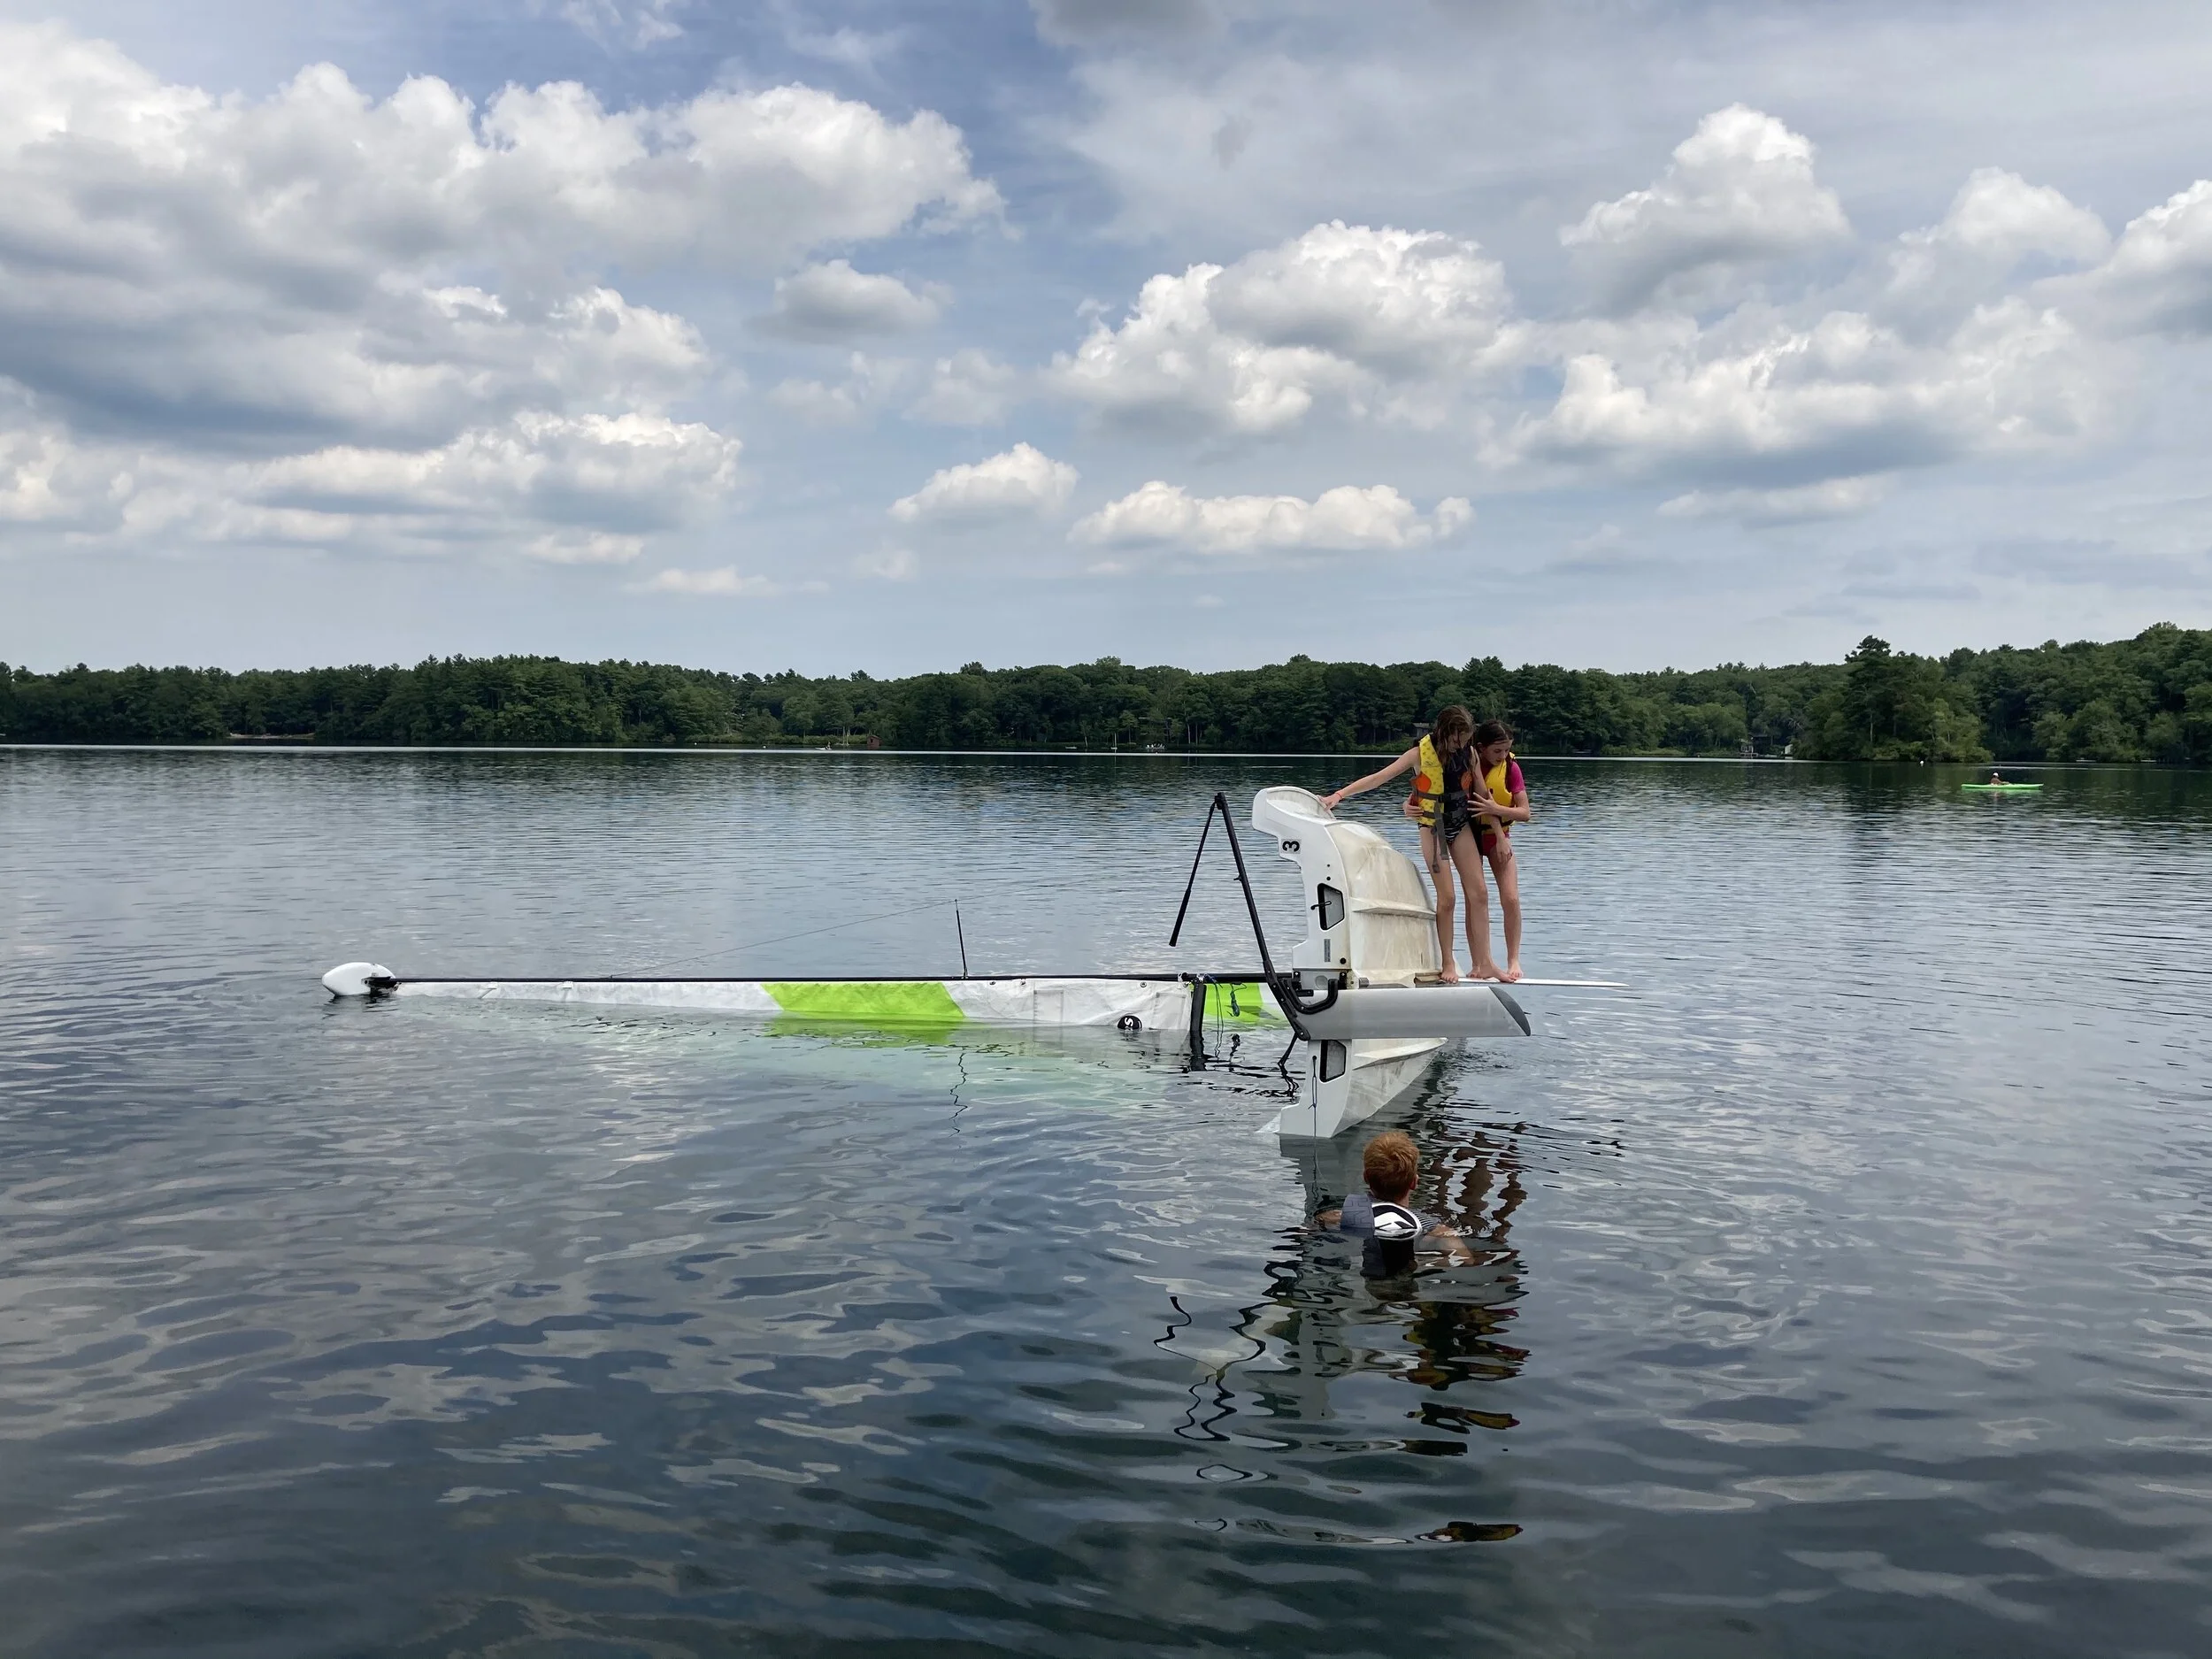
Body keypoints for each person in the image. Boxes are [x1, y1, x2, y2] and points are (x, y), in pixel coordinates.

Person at [1321, 706, 1500, 982]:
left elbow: (1480, 791)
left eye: (1465, 739)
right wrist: (1339, 795)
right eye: (1456, 740)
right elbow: (1380, 777)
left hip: (1460, 825)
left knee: (1480, 894)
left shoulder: (1470, 753)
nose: (1460, 745)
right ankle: (1448, 962)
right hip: (1433, 828)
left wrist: (1497, 830)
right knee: (1449, 898)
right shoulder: (1419, 753)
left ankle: (1485, 963)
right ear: (1443, 733)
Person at [1315, 1130, 1472, 1277]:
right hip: (1404, 1280)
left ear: (1366, 1177)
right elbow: (1466, 1260)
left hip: (1357, 1272)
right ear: (1414, 1182)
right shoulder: (1435, 1230)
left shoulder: (1336, 1217)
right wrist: (1421, 1263)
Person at [1469, 720, 1532, 983]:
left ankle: (1513, 958)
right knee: (1476, 899)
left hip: (1499, 838)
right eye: (1497, 751)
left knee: (1511, 898)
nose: (1502, 756)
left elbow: (1525, 812)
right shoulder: (1467, 764)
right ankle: (1478, 962)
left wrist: (1498, 810)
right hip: (1469, 837)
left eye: (1506, 750)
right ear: (1481, 748)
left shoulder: (1511, 769)